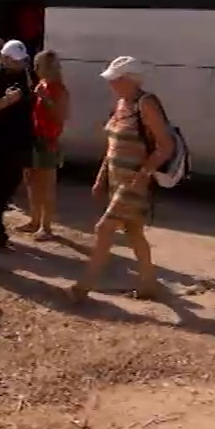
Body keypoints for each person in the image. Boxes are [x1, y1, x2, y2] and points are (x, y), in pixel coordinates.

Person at [68, 56, 174, 303]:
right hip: (118, 179)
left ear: (129, 79)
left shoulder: (146, 104)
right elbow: (112, 146)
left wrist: (145, 173)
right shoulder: (121, 103)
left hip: (134, 181)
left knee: (104, 229)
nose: (111, 84)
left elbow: (165, 145)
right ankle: (149, 284)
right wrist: (101, 177)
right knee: (134, 231)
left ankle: (83, 287)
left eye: (115, 80)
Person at [0, 39, 37, 252]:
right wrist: (7, 101)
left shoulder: (24, 73)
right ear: (4, 58)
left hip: (20, 140)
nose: (21, 65)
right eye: (16, 61)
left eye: (23, 61)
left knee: (8, 187)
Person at [17, 50, 70, 240]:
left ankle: (46, 227)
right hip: (35, 137)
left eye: (38, 66)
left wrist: (46, 98)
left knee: (46, 185)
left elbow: (62, 116)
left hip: (48, 141)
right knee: (31, 181)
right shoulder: (42, 84)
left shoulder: (58, 89)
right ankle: (34, 220)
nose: (35, 69)